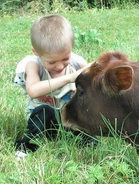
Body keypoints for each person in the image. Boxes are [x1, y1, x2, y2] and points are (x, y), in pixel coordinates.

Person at [14, 14, 91, 156]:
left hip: (67, 118)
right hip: (43, 120)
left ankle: (87, 140)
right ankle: (26, 146)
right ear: (36, 52)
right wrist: (69, 78)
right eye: (52, 62)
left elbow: (92, 82)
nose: (59, 66)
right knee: (44, 111)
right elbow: (33, 90)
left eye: (65, 58)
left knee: (82, 111)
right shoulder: (33, 65)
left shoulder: (76, 62)